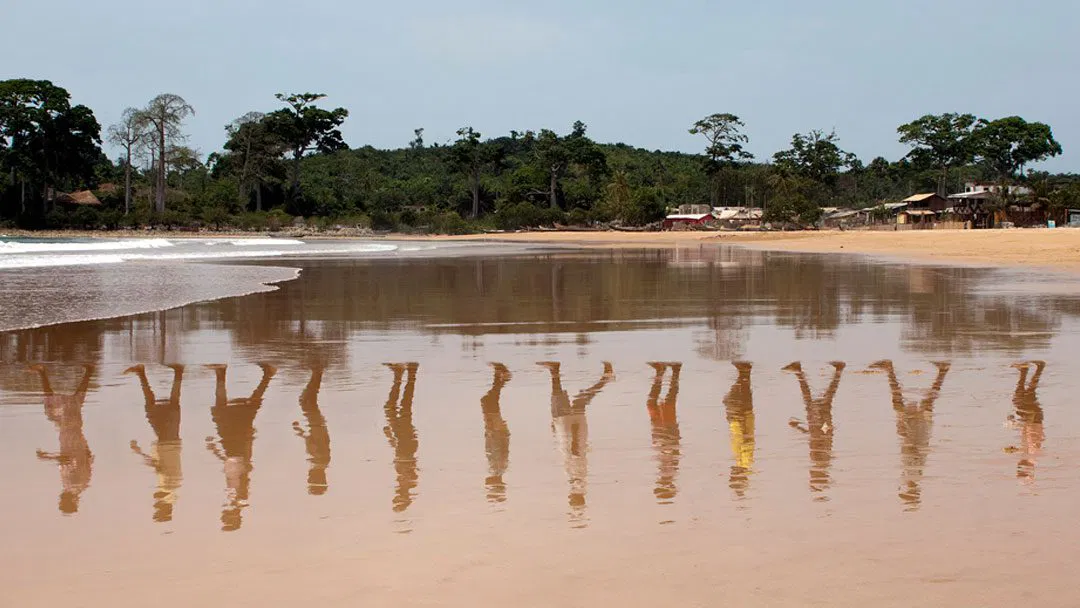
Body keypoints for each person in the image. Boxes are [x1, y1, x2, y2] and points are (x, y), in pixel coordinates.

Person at [538, 361, 615, 522]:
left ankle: (605, 378)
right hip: (570, 428)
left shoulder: (580, 480)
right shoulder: (577, 480)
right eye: (572, 500)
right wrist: (571, 430)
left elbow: (576, 454)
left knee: (580, 400)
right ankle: (555, 371)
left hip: (573, 429)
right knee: (561, 400)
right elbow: (575, 453)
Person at [205, 362, 276, 531]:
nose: (224, 514)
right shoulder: (241, 497)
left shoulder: (233, 498)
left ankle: (223, 374)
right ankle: (266, 375)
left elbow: (232, 468)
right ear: (234, 516)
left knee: (234, 411)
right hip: (237, 446)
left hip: (232, 449)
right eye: (227, 518)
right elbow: (245, 467)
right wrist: (249, 440)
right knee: (239, 410)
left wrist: (215, 450)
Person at [870, 360, 949, 510]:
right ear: (911, 491)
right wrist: (905, 432)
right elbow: (914, 451)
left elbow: (915, 453)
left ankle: (942, 371)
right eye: (906, 493)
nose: (904, 489)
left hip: (919, 433)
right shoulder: (913, 476)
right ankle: (890, 370)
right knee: (908, 403)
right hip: (916, 433)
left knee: (923, 403)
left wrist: (906, 435)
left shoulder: (914, 476)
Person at [30, 363, 95, 515]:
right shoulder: (74, 484)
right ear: (67, 500)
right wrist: (46, 457)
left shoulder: (82, 485)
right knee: (59, 406)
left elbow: (88, 457)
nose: (59, 497)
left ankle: (88, 372)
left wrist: (83, 444)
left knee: (74, 402)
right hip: (71, 436)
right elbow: (66, 460)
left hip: (74, 436)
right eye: (61, 500)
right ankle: (42, 372)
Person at [127, 364, 185, 522]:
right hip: (168, 441)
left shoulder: (172, 488)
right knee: (158, 408)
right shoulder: (168, 487)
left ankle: (173, 373)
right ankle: (144, 373)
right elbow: (157, 465)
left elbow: (159, 465)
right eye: (159, 507)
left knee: (168, 406)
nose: (156, 503)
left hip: (168, 441)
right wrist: (138, 451)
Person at [784, 361, 845, 499]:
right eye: (813, 477)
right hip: (819, 421)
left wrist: (799, 427)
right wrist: (822, 421)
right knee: (820, 397)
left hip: (817, 423)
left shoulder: (819, 461)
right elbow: (825, 437)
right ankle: (801, 371)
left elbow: (814, 437)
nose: (810, 474)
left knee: (819, 397)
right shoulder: (821, 460)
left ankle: (800, 371)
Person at [383, 363, 420, 513]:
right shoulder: (408, 482)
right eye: (398, 499)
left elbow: (401, 456)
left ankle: (405, 374)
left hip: (405, 442)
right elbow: (405, 458)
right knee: (401, 407)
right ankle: (406, 374)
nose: (395, 495)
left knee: (402, 407)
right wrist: (391, 436)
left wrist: (391, 438)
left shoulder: (406, 482)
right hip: (406, 442)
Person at [646, 362, 682, 503]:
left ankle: (661, 372)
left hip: (660, 434)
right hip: (667, 433)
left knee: (654, 403)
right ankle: (674, 372)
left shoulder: (665, 473)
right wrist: (667, 438)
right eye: (661, 486)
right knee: (668, 400)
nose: (659, 483)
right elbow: (673, 451)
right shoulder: (671, 472)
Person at [292, 364, 331, 496]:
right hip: (317, 425)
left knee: (308, 401)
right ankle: (317, 372)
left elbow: (311, 440)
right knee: (306, 401)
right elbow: (312, 440)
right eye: (310, 479)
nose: (308, 476)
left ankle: (317, 373)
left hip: (318, 426)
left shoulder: (323, 461)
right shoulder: (319, 460)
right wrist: (300, 431)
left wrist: (299, 430)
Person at [480, 363, 512, 503]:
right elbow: (497, 448)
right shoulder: (496, 469)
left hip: (498, 433)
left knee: (490, 403)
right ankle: (501, 377)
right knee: (488, 403)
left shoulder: (500, 469)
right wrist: (491, 429)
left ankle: (499, 376)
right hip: (497, 432)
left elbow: (498, 449)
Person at [1009, 361, 1046, 481]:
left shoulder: (1029, 456)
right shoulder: (1032, 455)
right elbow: (1032, 435)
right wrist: (1022, 421)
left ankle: (1025, 371)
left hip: (1033, 419)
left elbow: (1027, 439)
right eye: (1019, 467)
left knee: (1023, 395)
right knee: (1026, 393)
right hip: (1033, 419)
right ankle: (1038, 367)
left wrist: (1014, 449)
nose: (1017, 464)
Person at [723, 362, 755, 497]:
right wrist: (740, 421)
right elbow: (747, 441)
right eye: (733, 476)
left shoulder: (741, 462)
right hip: (740, 419)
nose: (731, 472)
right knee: (733, 398)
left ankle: (744, 372)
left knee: (742, 395)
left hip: (740, 420)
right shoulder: (746, 462)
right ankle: (744, 372)